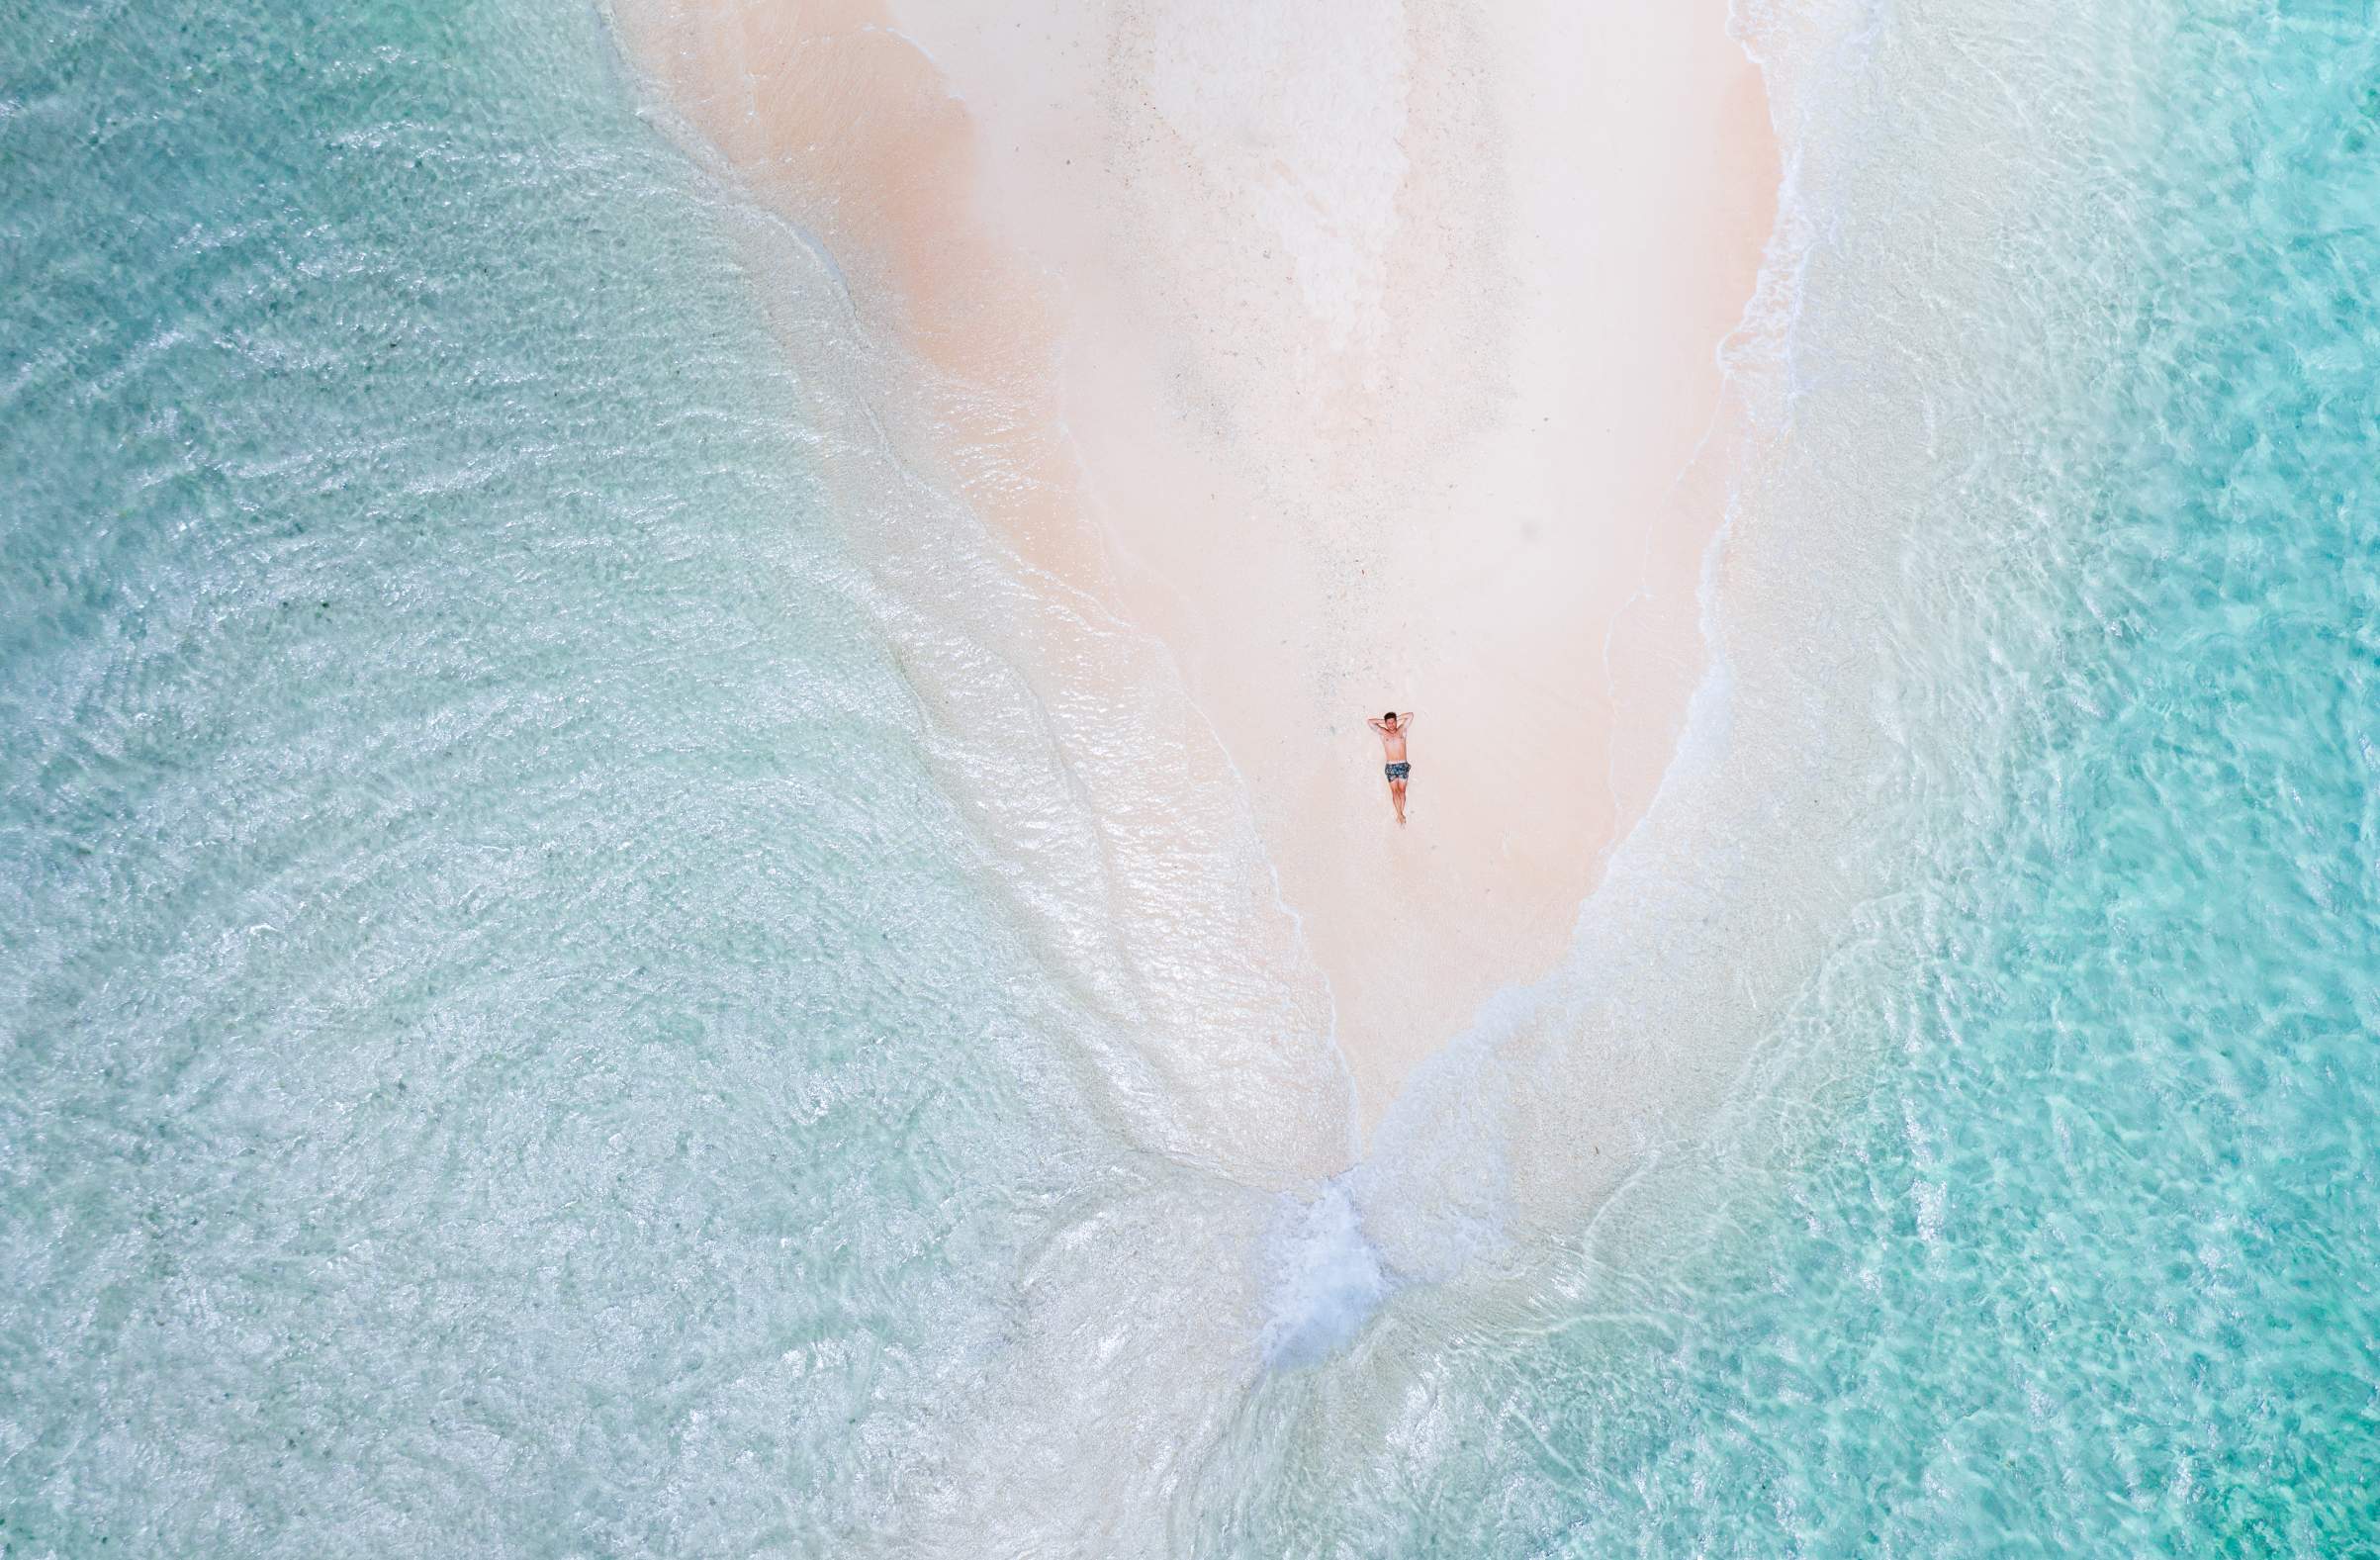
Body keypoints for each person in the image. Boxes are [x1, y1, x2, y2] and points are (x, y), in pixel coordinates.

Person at [1367, 710, 1415, 824]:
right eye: (1389, 723)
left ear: (1396, 722)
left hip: (1402, 764)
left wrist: (1395, 718)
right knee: (1394, 792)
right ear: (1386, 723)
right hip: (1391, 766)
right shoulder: (1383, 733)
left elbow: (1410, 715)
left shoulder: (1402, 730)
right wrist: (1384, 721)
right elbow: (1370, 722)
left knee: (1402, 791)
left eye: (1393, 722)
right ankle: (1399, 814)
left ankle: (1400, 814)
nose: (1391, 725)